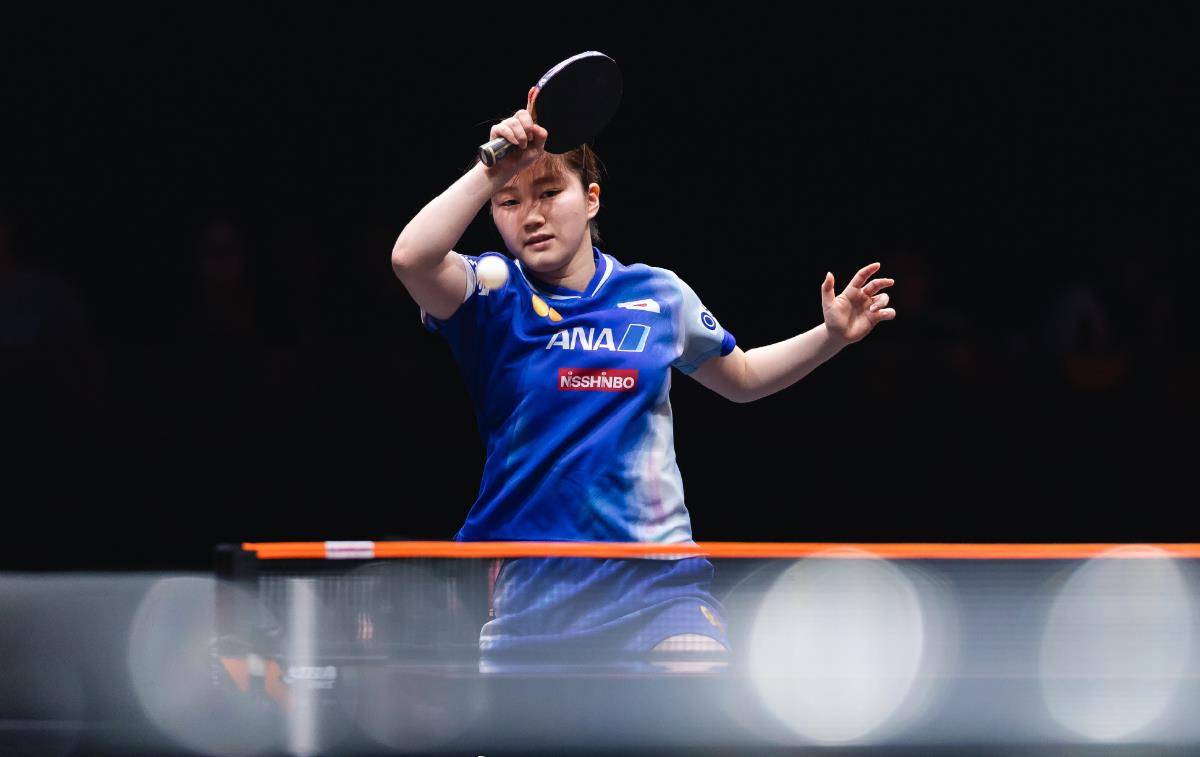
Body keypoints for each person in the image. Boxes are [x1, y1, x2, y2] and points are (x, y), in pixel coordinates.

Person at [390, 98, 896, 664]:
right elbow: (411, 258)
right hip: (534, 589)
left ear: (591, 199)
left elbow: (744, 377)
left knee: (695, 682)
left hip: (656, 580)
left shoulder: (658, 294)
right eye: (509, 201)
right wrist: (492, 168)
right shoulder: (492, 292)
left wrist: (830, 336)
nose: (530, 215)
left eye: (549, 192)